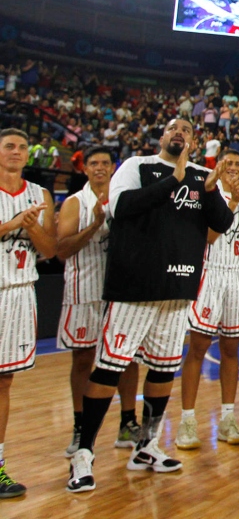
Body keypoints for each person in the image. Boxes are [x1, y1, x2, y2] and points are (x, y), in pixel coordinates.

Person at [67, 119, 235, 493]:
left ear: (194, 140)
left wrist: (209, 191)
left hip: (178, 288)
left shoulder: (202, 175)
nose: (180, 133)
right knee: (109, 368)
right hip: (135, 285)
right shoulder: (136, 167)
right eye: (173, 128)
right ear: (162, 137)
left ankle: (147, 446)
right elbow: (121, 208)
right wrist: (175, 180)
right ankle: (84, 453)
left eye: (187, 130)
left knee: (162, 370)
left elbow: (222, 224)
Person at [55, 146, 141, 458]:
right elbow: (61, 250)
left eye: (106, 163)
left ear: (113, 167)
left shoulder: (124, 197)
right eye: (94, 163)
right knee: (82, 359)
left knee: (127, 358)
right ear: (85, 169)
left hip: (119, 290)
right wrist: (93, 225)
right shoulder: (74, 203)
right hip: (83, 290)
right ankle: (80, 426)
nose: (100, 168)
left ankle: (128, 422)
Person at [176, 148, 239, 449]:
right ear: (218, 166)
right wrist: (238, 202)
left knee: (231, 349)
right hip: (211, 272)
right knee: (198, 347)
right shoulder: (208, 192)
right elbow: (211, 236)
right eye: (228, 163)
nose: (233, 168)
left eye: (238, 164)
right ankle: (187, 421)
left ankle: (228, 418)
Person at [0, 129, 56, 498]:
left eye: (22, 147)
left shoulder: (41, 195)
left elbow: (50, 249)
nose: (17, 152)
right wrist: (11, 224)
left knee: (3, 383)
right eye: (9, 146)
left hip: (19, 293)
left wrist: (33, 227)